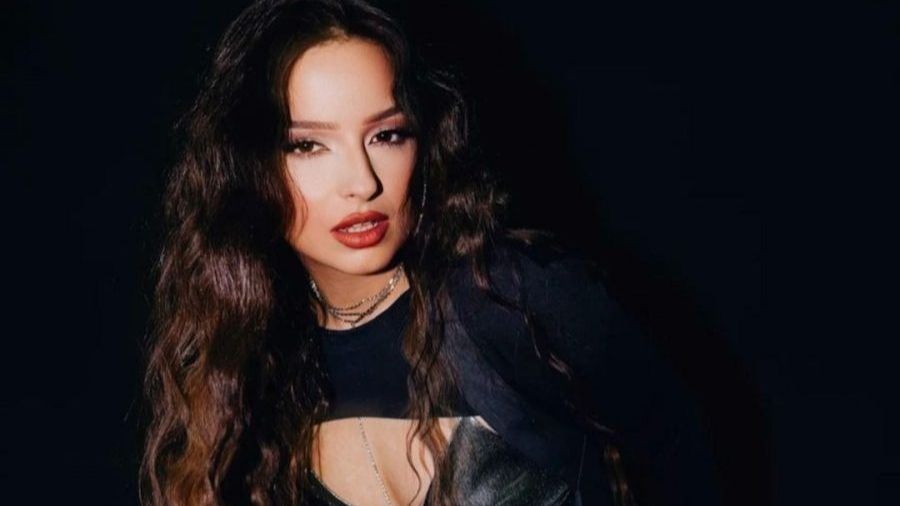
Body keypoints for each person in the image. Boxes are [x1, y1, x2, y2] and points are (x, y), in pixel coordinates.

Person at [141, 1, 720, 505]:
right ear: (248, 169)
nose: (362, 182)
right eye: (309, 145)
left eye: (386, 135)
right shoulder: (248, 371)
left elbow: (688, 454)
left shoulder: (509, 297)